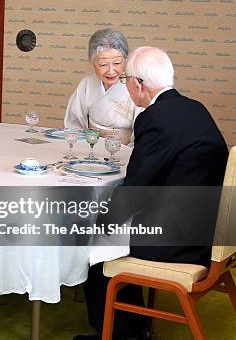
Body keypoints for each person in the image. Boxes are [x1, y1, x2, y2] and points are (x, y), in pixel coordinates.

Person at [75, 47, 228, 340]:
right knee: (113, 227)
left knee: (92, 237)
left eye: (126, 80)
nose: (126, 87)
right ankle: (135, 325)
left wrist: (101, 221)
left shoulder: (155, 118)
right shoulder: (194, 108)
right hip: (207, 227)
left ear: (139, 84)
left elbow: (137, 190)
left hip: (180, 239)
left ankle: (119, 332)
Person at [64, 28, 143, 145]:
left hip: (126, 151)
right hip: (89, 149)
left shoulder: (136, 86)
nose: (111, 71)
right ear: (92, 62)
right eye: (103, 64)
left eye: (117, 63)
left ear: (126, 60)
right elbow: (73, 123)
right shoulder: (87, 84)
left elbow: (143, 131)